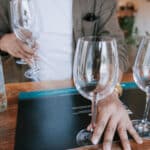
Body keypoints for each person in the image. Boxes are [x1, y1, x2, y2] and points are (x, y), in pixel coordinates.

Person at [0, 0, 143, 149]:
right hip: (22, 94)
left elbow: (117, 48)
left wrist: (108, 92)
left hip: (82, 93)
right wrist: (3, 41)